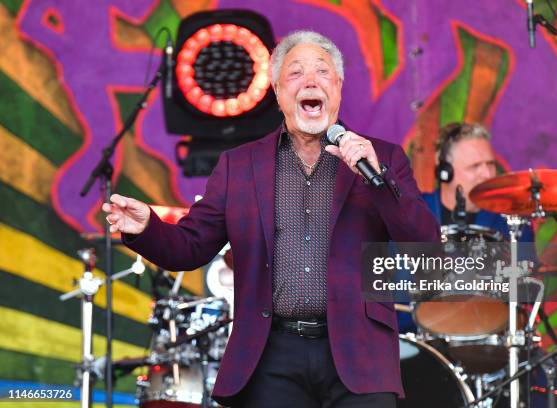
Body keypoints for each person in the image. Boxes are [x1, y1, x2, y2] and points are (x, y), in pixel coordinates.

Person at [103, 30, 439, 407]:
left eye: (323, 72)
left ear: (339, 87)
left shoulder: (383, 158)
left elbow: (424, 245)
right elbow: (191, 247)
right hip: (270, 356)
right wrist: (146, 228)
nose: (311, 80)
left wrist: (379, 181)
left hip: (360, 354)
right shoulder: (239, 165)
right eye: (296, 73)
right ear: (277, 91)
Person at [396, 122, 534, 333]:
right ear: (445, 172)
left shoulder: (512, 224)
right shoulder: (411, 214)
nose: (487, 175)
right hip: (421, 341)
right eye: (475, 166)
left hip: (488, 343)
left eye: (490, 164)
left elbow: (524, 293)